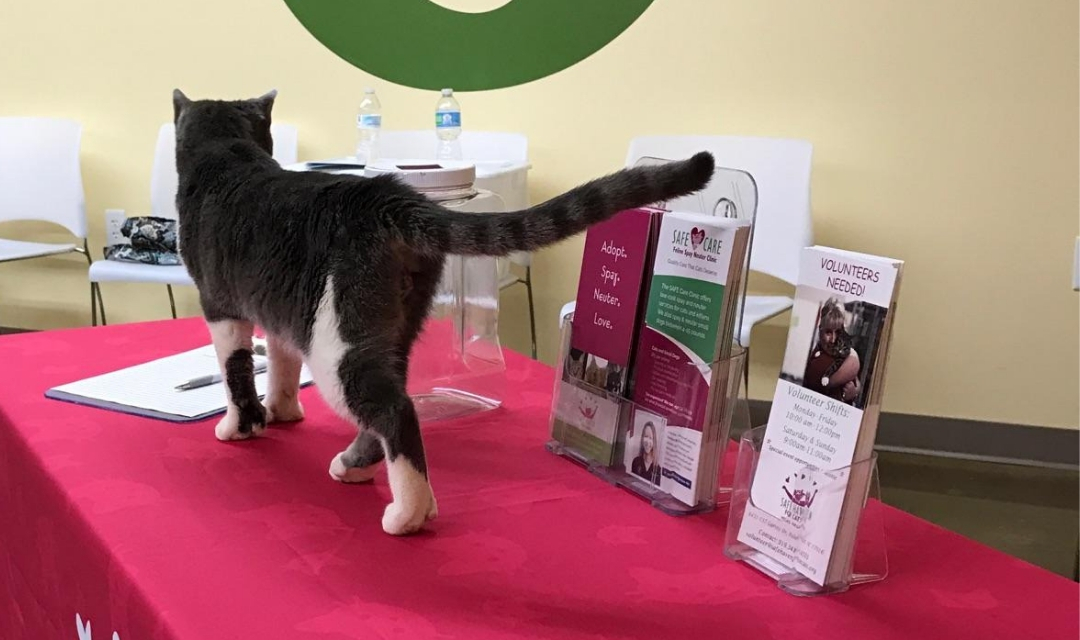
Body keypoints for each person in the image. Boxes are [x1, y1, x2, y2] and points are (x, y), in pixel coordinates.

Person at [802, 298, 861, 404]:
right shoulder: (820, 359)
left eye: (838, 331)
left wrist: (856, 390)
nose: (833, 339)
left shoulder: (835, 349)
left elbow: (855, 381)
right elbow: (853, 365)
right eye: (828, 332)